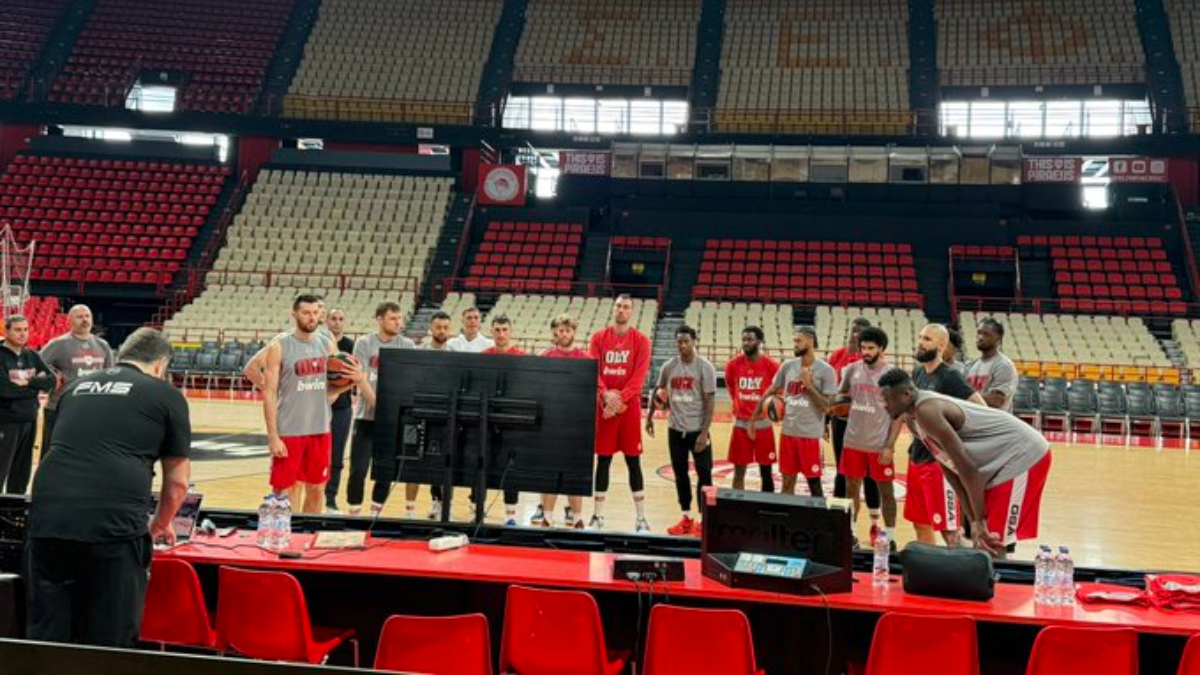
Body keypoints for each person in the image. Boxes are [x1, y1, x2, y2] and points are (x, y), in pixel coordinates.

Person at [26, 328, 191, 647]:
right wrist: (160, 523)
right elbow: (178, 482)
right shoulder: (165, 394)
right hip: (112, 524)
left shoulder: (75, 388)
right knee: (109, 639)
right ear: (160, 364)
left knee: (47, 635)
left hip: (47, 518)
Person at [879, 369, 1053, 558]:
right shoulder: (912, 418)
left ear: (906, 395)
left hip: (1024, 454)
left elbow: (968, 469)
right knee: (984, 541)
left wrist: (979, 520)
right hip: (1000, 460)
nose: (884, 405)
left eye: (887, 399)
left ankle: (998, 574)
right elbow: (948, 467)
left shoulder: (927, 410)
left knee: (992, 541)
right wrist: (973, 519)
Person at [262, 294, 362, 514]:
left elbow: (330, 391)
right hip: (289, 431)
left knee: (317, 489)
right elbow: (269, 393)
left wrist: (352, 381)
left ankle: (309, 532)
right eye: (306, 313)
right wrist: (273, 436)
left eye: (315, 313)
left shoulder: (327, 344)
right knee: (285, 492)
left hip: (320, 429)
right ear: (294, 314)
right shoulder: (279, 346)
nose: (311, 317)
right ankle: (286, 532)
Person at [906, 324, 986, 546]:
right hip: (917, 457)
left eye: (927, 339)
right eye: (920, 337)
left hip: (939, 464)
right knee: (920, 523)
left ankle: (965, 565)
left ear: (941, 346)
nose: (920, 342)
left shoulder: (950, 376)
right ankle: (928, 564)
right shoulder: (918, 372)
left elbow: (981, 408)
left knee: (949, 532)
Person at [588, 295, 651, 532]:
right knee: (603, 460)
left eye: (626, 307)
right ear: (613, 309)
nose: (621, 310)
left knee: (633, 461)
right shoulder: (598, 338)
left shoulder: (641, 341)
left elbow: (639, 377)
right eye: (618, 306)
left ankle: (641, 518)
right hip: (604, 407)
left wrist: (618, 399)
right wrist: (606, 395)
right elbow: (594, 371)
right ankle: (597, 517)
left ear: (632, 312)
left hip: (628, 410)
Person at [836, 326, 903, 548]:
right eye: (863, 347)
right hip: (853, 441)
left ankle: (890, 538)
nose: (865, 352)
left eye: (871, 348)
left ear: (881, 349)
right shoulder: (851, 370)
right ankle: (852, 534)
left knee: (887, 491)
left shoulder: (893, 375)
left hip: (878, 444)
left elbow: (898, 415)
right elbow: (841, 396)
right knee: (851, 489)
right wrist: (838, 407)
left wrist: (890, 446)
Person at [646, 325, 716, 537]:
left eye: (686, 341)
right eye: (679, 342)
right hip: (675, 429)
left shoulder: (705, 367)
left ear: (694, 341)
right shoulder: (669, 366)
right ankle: (686, 518)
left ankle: (704, 520)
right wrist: (649, 416)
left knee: (705, 474)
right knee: (680, 475)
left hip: (698, 430)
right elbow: (659, 391)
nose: (682, 345)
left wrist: (704, 433)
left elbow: (710, 402)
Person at [348, 302, 415, 517]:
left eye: (400, 318)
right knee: (358, 469)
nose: (398, 322)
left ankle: (375, 514)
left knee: (385, 471)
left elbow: (409, 381)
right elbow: (360, 378)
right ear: (379, 319)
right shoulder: (364, 343)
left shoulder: (407, 345)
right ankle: (354, 514)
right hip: (366, 417)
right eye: (393, 318)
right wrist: (380, 405)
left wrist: (392, 410)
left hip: (393, 419)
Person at [753, 326, 835, 499]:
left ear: (810, 341)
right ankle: (785, 516)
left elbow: (827, 407)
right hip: (788, 433)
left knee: (814, 484)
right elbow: (771, 391)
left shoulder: (826, 370)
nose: (795, 345)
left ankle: (816, 517)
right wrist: (754, 418)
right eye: (794, 341)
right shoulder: (788, 366)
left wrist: (809, 386)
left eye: (798, 341)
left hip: (811, 436)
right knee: (787, 482)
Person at [37, 304, 114, 466]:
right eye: (79, 317)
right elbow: (36, 365)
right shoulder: (58, 344)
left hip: (91, 409)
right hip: (59, 407)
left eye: (87, 316)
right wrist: (52, 376)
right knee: (50, 453)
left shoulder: (103, 345)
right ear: (69, 321)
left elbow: (110, 376)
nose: (84, 320)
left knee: (85, 453)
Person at [535, 313, 592, 529]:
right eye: (560, 330)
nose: (564, 333)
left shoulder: (586, 359)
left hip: (576, 423)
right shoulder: (545, 356)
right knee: (549, 470)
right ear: (554, 332)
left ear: (574, 332)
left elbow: (591, 391)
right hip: (550, 421)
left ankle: (577, 517)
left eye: (568, 330)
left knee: (574, 471)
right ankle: (547, 516)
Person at [827, 317, 881, 514]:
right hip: (841, 420)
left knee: (869, 472)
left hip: (865, 421)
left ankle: (874, 519)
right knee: (841, 469)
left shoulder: (871, 359)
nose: (855, 334)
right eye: (853, 330)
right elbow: (830, 390)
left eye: (860, 332)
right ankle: (838, 514)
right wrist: (826, 419)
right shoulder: (837, 355)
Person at [0, 315, 56, 493]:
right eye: (17, 330)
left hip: (30, 419)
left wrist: (29, 382)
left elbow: (52, 380)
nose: (23, 334)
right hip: (6, 421)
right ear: (6, 331)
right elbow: (4, 390)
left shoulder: (31, 355)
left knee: (21, 472)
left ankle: (14, 508)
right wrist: (35, 389)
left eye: (25, 329)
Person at [480, 315, 527, 526]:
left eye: (504, 330)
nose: (501, 334)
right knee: (482, 462)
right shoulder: (483, 357)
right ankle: (478, 509)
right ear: (491, 332)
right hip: (487, 419)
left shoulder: (522, 357)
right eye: (497, 330)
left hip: (512, 420)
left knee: (511, 466)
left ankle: (510, 515)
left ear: (511, 332)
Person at [727, 326, 780, 493]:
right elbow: (731, 388)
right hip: (741, 424)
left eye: (750, 339)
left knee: (766, 473)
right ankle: (738, 505)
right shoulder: (733, 365)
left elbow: (779, 393)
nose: (746, 343)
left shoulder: (772, 365)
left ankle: (767, 505)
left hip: (763, 424)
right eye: (744, 340)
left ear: (759, 341)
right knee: (738, 472)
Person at [324, 308, 356, 513]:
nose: (337, 322)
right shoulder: (318, 343)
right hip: (316, 407)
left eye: (340, 319)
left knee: (336, 456)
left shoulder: (351, 346)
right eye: (333, 318)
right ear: (326, 321)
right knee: (315, 455)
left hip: (341, 408)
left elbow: (356, 375)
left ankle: (330, 499)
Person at [967, 318, 1019, 412]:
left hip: (994, 420)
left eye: (986, 334)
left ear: (998, 339)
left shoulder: (1003, 365)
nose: (980, 337)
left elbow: (996, 401)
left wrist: (965, 400)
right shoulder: (971, 365)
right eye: (979, 333)